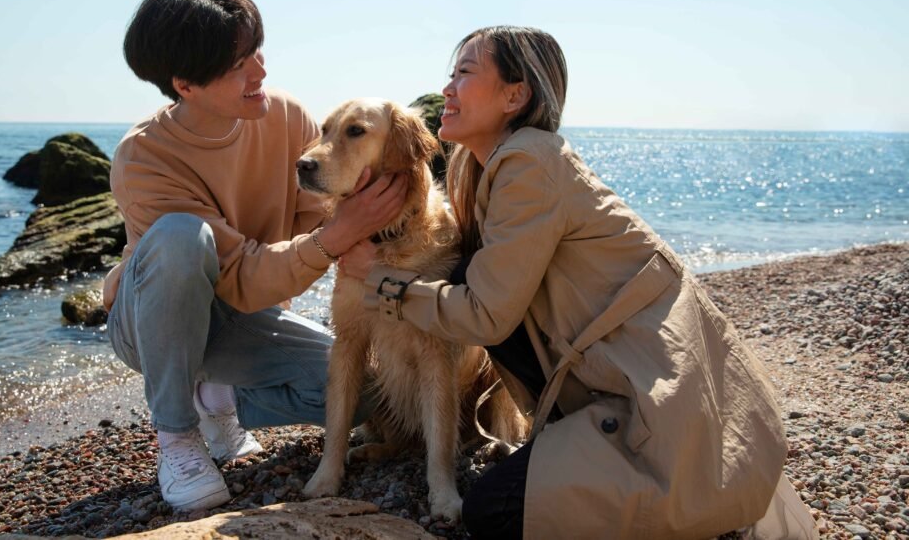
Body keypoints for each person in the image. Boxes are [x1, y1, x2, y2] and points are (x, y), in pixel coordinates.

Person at [341, 26, 818, 539]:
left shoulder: (529, 163)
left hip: (654, 404)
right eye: (450, 74)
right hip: (625, 383)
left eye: (465, 73)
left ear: (515, 95)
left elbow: (485, 315)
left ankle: (652, 489)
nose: (449, 89)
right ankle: (572, 447)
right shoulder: (486, 168)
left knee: (494, 512)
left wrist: (380, 278)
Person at [103, 0, 407, 512]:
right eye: (239, 63)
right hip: (152, 327)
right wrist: (338, 236)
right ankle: (176, 437)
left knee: (363, 395)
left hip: (245, 319)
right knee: (180, 236)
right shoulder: (143, 157)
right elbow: (251, 269)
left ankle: (216, 397)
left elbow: (320, 220)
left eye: (257, 51)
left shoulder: (287, 118)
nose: (260, 71)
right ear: (185, 85)